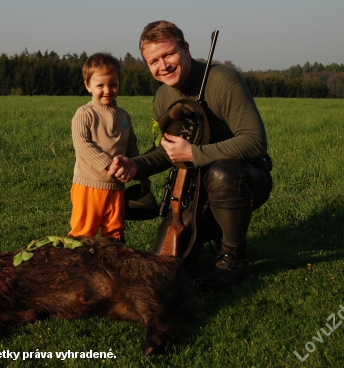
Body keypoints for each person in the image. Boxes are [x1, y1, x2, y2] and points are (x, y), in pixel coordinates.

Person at [108, 21, 273, 289]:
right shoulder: (163, 95)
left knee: (222, 174)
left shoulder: (224, 80)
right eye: (153, 61)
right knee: (165, 265)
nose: (163, 65)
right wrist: (135, 165)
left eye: (168, 54)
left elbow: (255, 143)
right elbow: (169, 151)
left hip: (244, 179)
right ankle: (213, 228)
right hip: (193, 191)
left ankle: (233, 256)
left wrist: (195, 154)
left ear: (185, 49)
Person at [69, 53, 149, 243]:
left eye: (113, 84)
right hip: (89, 185)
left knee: (115, 232)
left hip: (116, 187)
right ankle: (79, 269)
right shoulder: (84, 114)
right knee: (83, 232)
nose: (107, 90)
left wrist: (141, 173)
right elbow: (82, 143)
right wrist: (108, 164)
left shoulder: (124, 116)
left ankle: (112, 268)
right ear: (88, 86)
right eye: (100, 85)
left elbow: (131, 147)